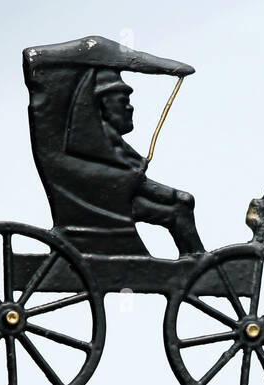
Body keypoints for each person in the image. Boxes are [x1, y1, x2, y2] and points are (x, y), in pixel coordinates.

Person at [25, 43, 203, 257]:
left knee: (179, 203)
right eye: (123, 101)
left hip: (109, 206)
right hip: (103, 212)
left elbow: (131, 180)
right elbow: (132, 182)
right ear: (100, 105)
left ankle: (196, 262)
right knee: (179, 209)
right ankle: (197, 262)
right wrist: (176, 195)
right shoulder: (94, 148)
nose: (130, 107)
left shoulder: (102, 143)